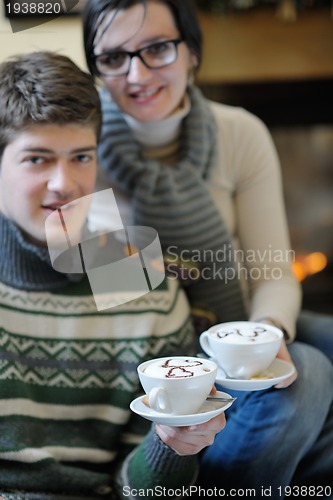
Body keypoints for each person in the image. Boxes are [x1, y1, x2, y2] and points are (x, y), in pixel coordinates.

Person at [82, 0, 333, 497]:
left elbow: (273, 273)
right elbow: (125, 308)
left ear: (192, 52)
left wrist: (265, 337)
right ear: (96, 68)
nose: (136, 73)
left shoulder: (240, 133)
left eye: (157, 48)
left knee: (322, 344)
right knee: (311, 378)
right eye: (113, 58)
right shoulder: (82, 154)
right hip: (156, 344)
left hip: (238, 319)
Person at [0, 51, 227, 500]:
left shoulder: (141, 283)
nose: (64, 183)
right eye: (37, 160)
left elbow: (136, 488)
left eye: (81, 156)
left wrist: (170, 448)